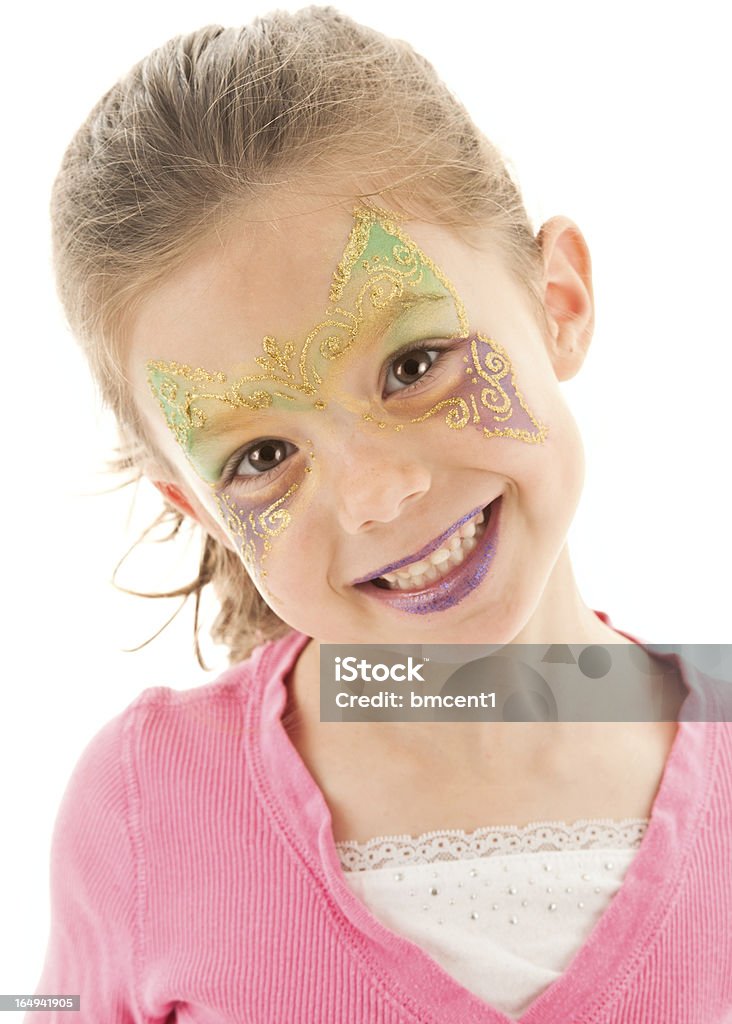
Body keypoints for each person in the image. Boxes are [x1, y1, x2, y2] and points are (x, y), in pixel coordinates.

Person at [26, 7, 731, 1023]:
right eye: (262, 456)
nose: (377, 492)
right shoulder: (144, 809)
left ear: (558, 300)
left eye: (412, 364)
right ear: (204, 510)